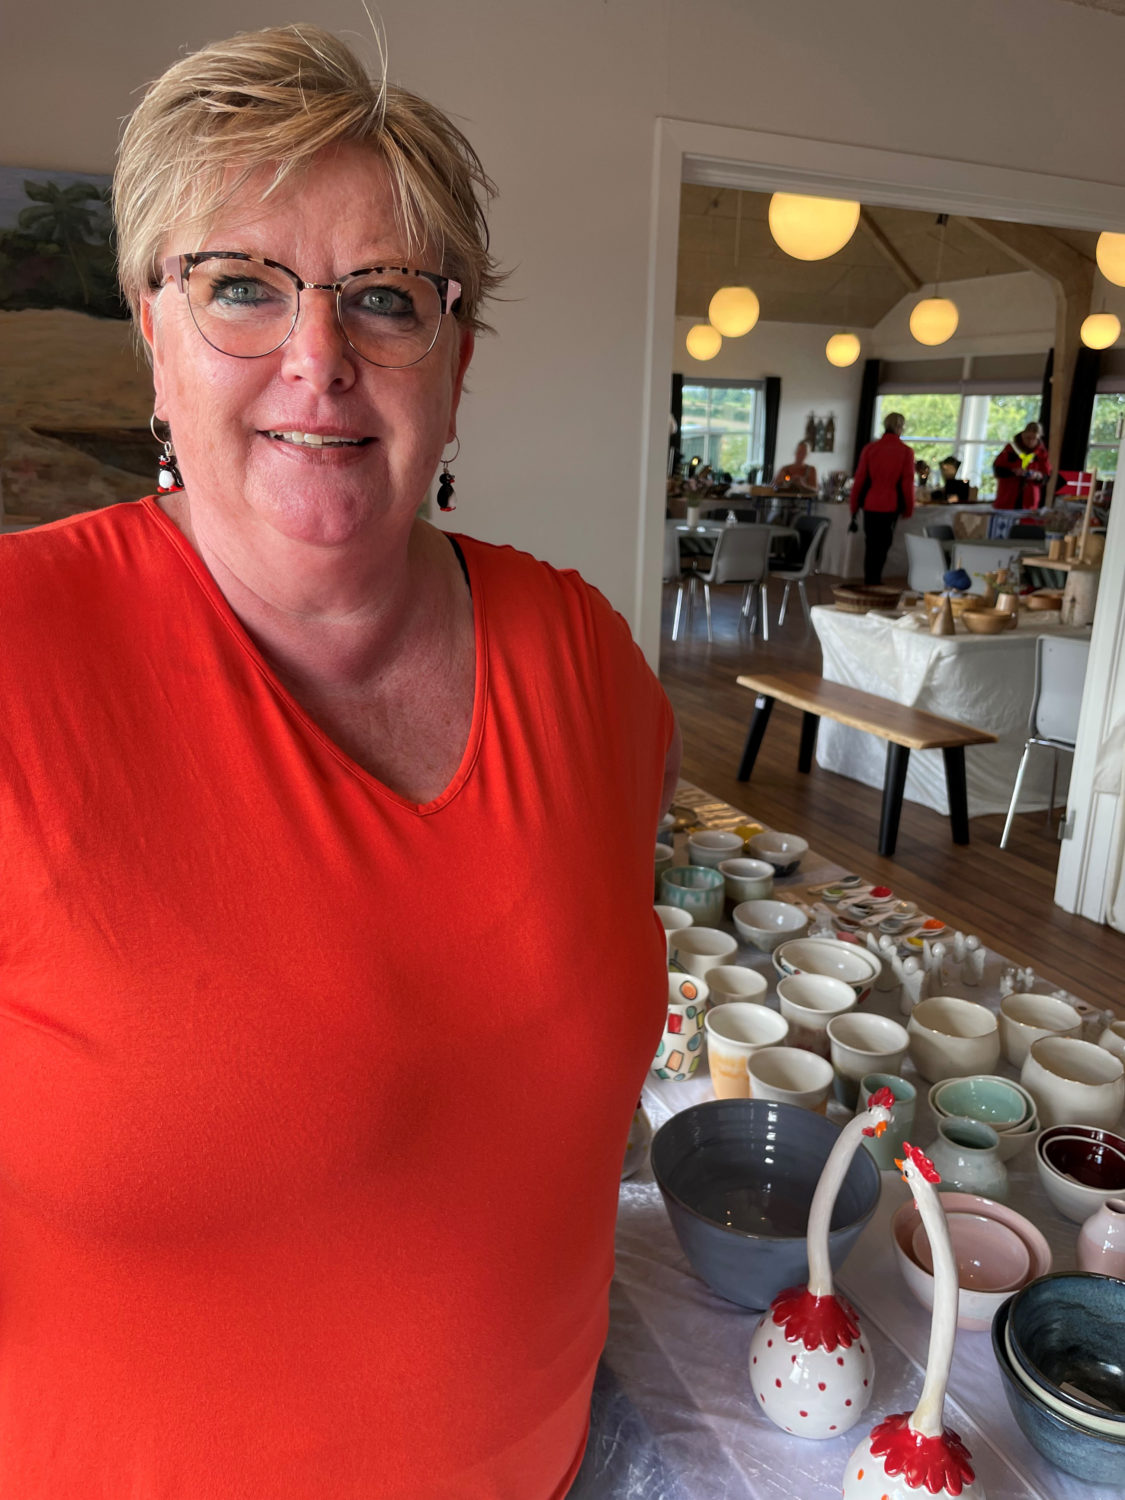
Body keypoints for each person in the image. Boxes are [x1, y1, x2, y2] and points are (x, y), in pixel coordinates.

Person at [0, 25, 680, 1500]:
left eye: (383, 299)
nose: (318, 360)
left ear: (457, 361)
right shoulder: (16, 662)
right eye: (242, 287)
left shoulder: (585, 659)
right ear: (154, 335)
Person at [848, 411, 915, 585]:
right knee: (883, 545)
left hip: (871, 503)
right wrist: (909, 507)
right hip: (890, 504)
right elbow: (907, 483)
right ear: (900, 427)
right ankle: (874, 580)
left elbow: (859, 479)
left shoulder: (871, 449)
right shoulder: (905, 451)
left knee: (871, 544)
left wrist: (854, 505)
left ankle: (870, 580)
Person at [993, 421, 1051, 510]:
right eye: (1028, 438)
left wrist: (1037, 475)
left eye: (1034, 438)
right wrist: (1013, 472)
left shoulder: (1041, 453)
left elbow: (1046, 475)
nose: (1030, 441)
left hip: (1029, 501)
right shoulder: (1011, 449)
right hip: (1007, 498)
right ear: (1023, 435)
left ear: (1039, 437)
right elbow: (997, 469)